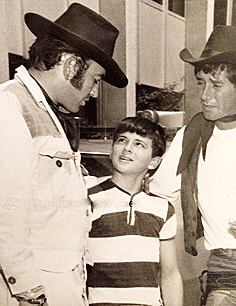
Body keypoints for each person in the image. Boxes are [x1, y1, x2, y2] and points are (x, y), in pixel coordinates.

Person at [0, 3, 127, 306]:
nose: (94, 92)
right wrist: (29, 291)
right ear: (71, 66)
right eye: (96, 79)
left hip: (60, 285)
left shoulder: (46, 111)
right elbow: (6, 212)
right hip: (33, 294)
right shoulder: (10, 106)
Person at [150, 25, 236, 305]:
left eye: (216, 85)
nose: (204, 95)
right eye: (200, 83)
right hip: (225, 283)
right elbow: (157, 199)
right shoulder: (189, 136)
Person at [86, 117, 183, 306]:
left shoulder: (163, 209)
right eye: (122, 140)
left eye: (139, 144)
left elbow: (170, 273)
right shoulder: (88, 197)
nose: (127, 148)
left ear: (154, 162)